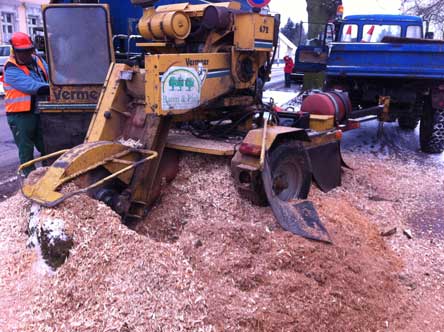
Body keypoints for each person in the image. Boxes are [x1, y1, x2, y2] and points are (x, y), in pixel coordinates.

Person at [3, 32, 49, 176]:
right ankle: (29, 178)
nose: (27, 54)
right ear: (14, 51)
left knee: (46, 144)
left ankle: (50, 174)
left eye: (29, 50)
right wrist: (55, 88)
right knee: (26, 149)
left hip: (39, 111)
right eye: (23, 52)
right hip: (20, 115)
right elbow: (32, 87)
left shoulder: (37, 59)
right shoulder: (10, 68)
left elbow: (51, 74)